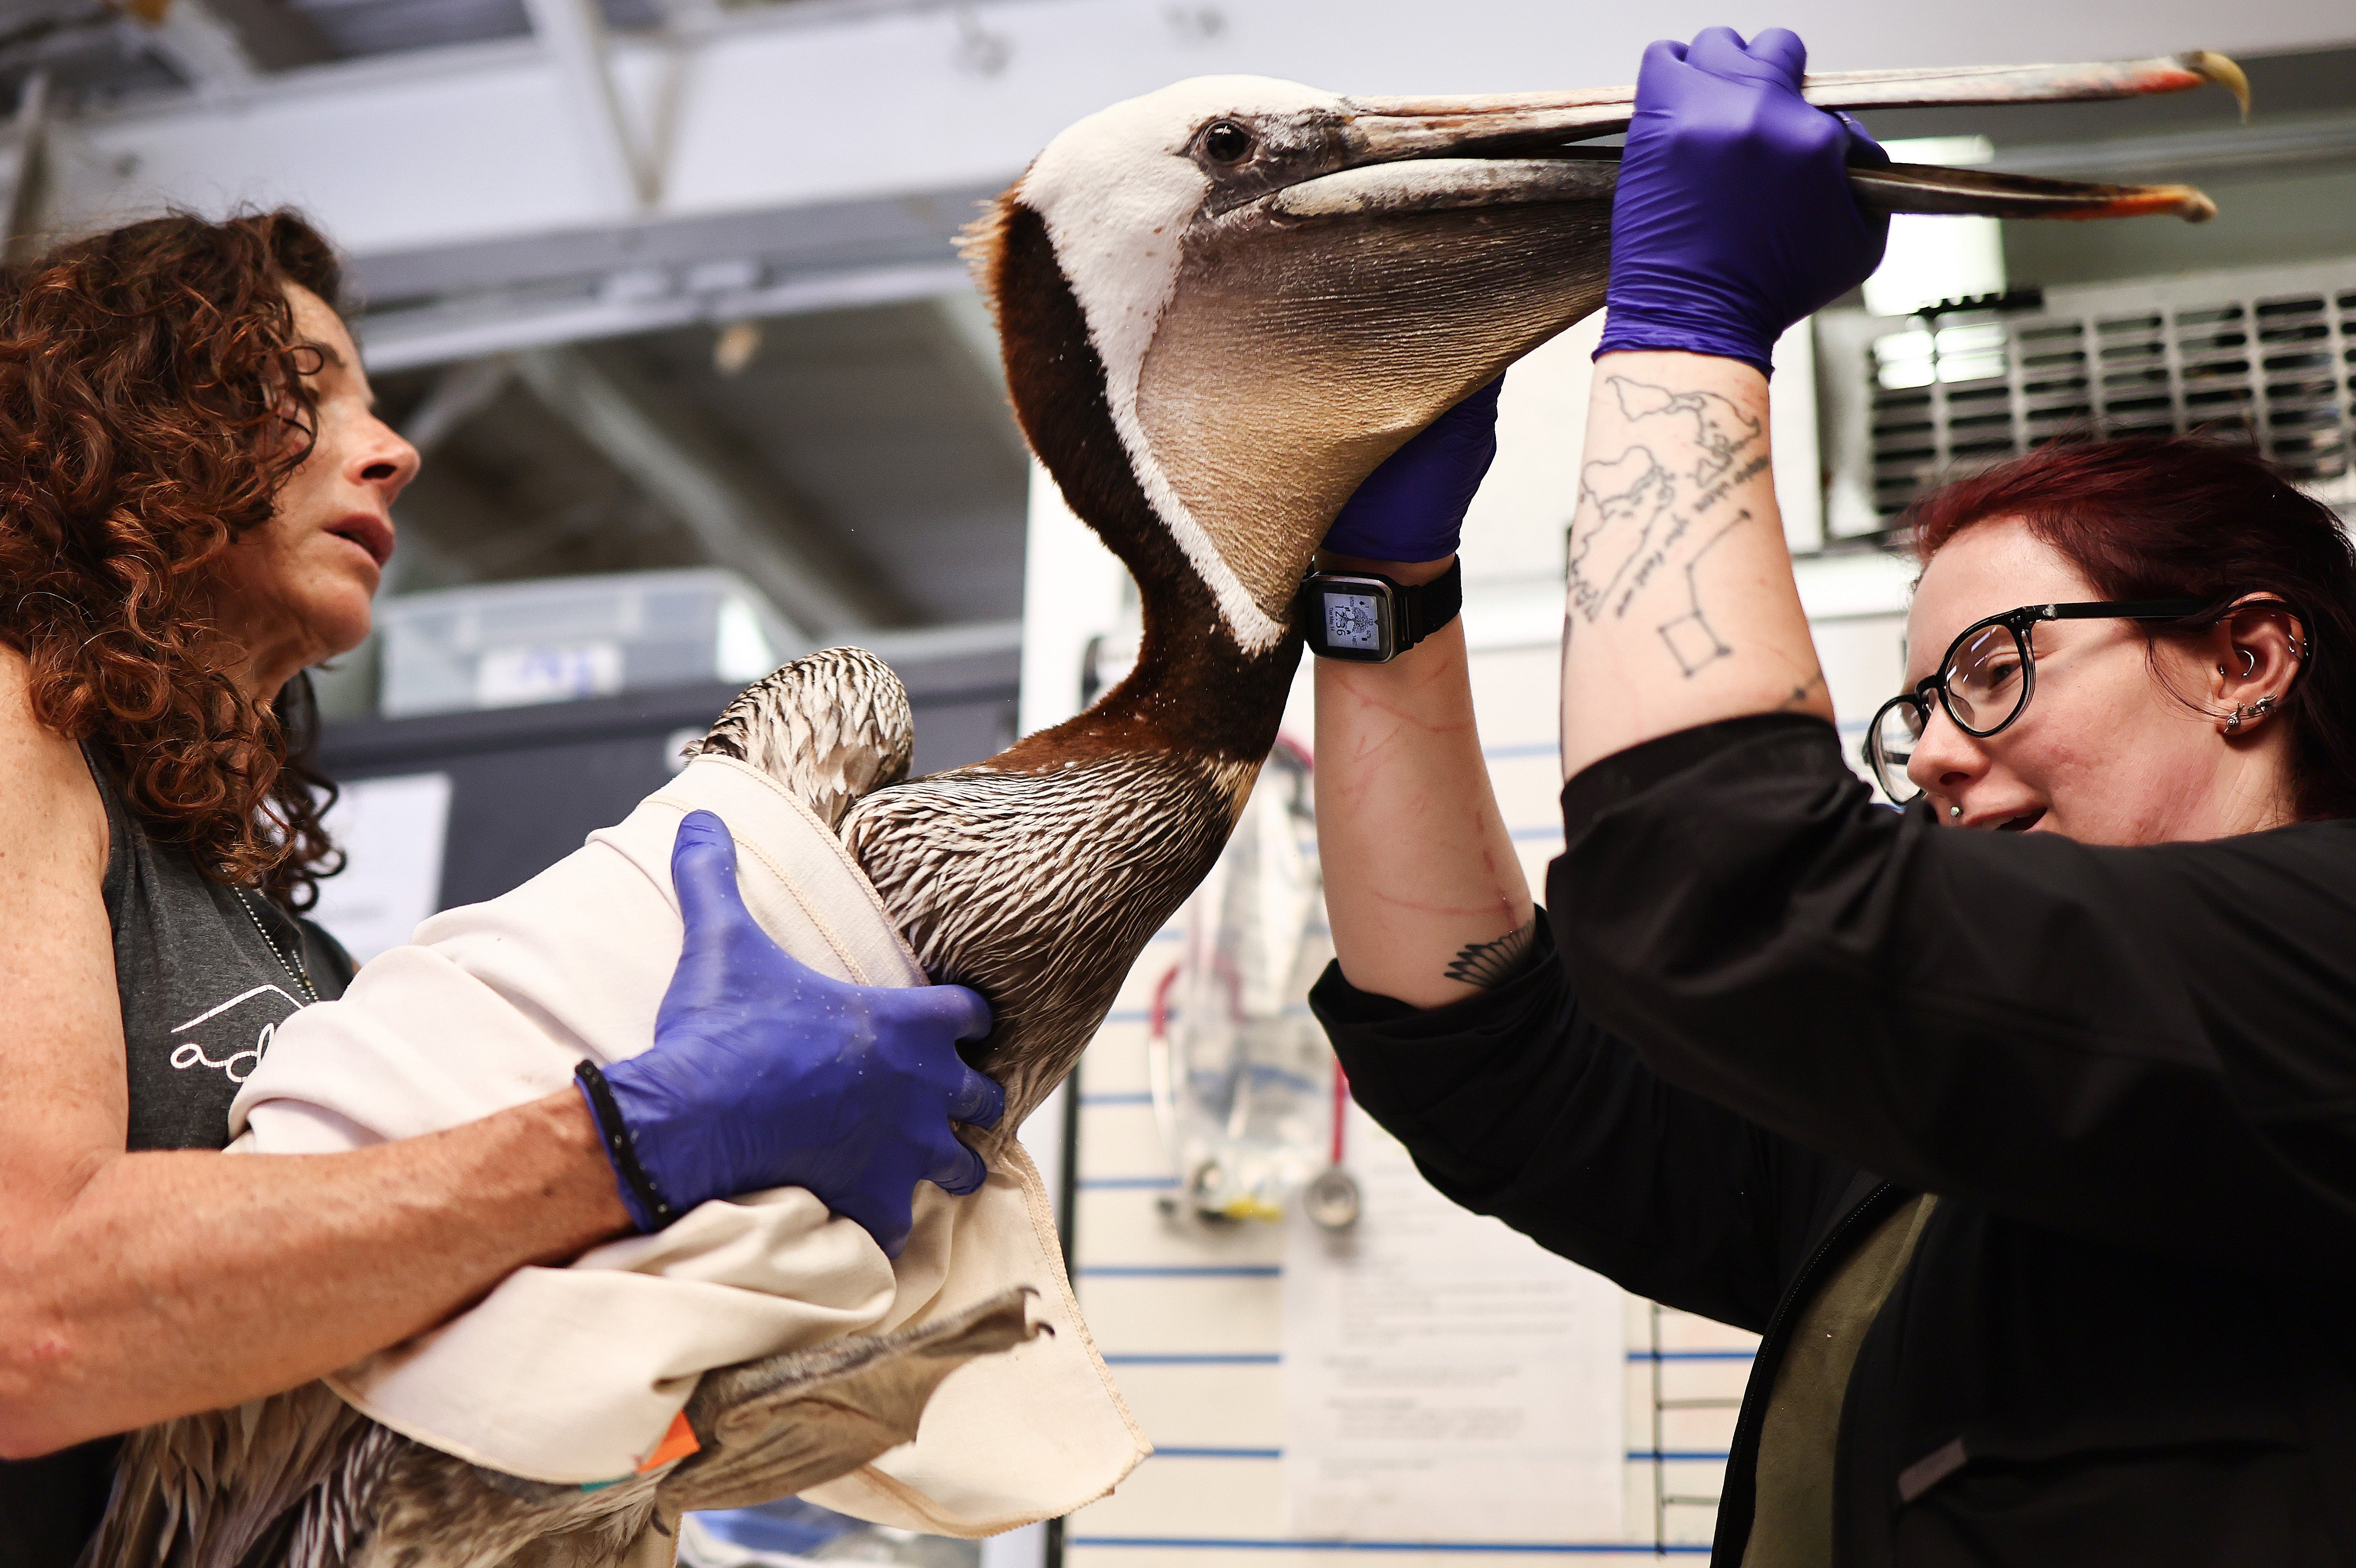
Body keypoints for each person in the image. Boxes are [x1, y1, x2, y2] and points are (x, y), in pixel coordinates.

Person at [1311, 26, 2356, 1567]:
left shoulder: (2326, 972)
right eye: (1919, 706)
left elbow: (1730, 891)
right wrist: (1378, 591)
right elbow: (1494, 1064)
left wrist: (1689, 323)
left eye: (1995, 667)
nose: (1929, 752)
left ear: (2246, 657)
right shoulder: (1930, 1114)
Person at [0, 212, 999, 1564]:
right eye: (299, 390)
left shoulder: (276, 938)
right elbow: (30, 1312)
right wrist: (633, 1141)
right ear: (119, 425)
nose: (396, 450)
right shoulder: (15, 730)